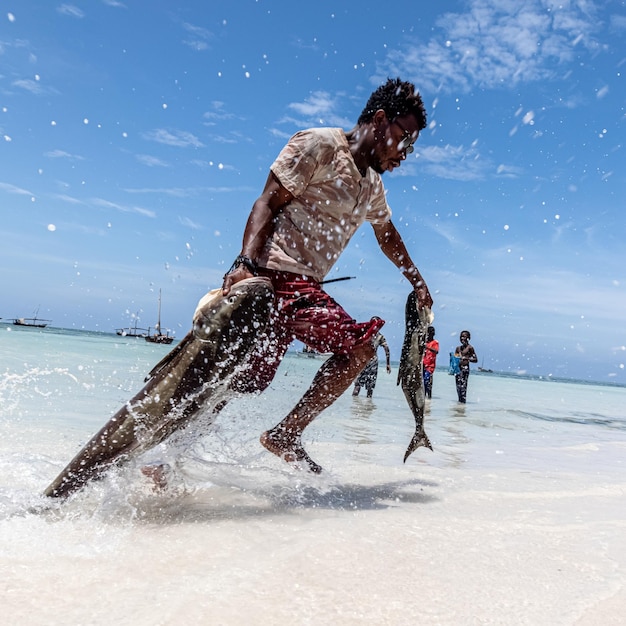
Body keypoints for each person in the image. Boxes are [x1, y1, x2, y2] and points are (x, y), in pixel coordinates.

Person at [222, 77, 432, 473]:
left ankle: (166, 452)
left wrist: (417, 282)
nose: (405, 153)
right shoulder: (319, 145)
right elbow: (267, 200)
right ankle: (284, 434)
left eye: (412, 145)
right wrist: (245, 265)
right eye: (404, 139)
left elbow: (386, 234)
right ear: (381, 120)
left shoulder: (372, 186)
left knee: (243, 379)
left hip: (302, 287)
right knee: (360, 349)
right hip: (273, 279)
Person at [352, 333, 391, 398]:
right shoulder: (379, 336)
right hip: (373, 362)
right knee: (370, 388)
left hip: (363, 361)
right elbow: (386, 349)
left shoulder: (365, 333)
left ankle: (353, 404)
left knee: (357, 385)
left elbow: (356, 346)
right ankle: (368, 405)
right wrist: (388, 364)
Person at [454, 330, 478, 403]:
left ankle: (463, 403)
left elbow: (475, 359)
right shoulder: (458, 348)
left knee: (463, 388)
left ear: (468, 338)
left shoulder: (470, 348)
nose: (462, 338)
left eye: (464, 336)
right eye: (461, 336)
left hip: (465, 370)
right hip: (458, 370)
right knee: (458, 388)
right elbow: (455, 359)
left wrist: (467, 358)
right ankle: (459, 405)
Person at [423, 325, 439, 399]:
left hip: (430, 365)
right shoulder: (424, 342)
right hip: (423, 365)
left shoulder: (435, 343)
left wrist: (427, 347)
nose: (429, 335)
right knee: (422, 381)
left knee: (427, 381)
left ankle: (429, 397)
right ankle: (424, 397)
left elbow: (436, 351)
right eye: (428, 333)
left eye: (431, 333)